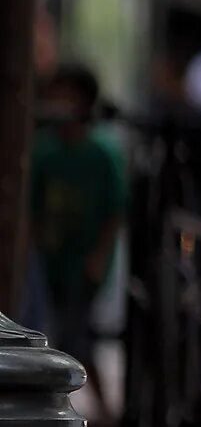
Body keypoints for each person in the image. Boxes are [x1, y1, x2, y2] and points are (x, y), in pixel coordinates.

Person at [26, 63, 126, 361]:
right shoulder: (44, 151)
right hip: (51, 259)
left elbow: (116, 210)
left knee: (74, 332)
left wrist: (99, 256)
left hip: (84, 263)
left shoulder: (102, 153)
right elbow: (31, 207)